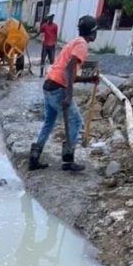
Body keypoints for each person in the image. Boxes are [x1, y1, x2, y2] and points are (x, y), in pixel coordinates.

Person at [29, 15, 98, 173]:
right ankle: (68, 160)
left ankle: (34, 157)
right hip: (58, 88)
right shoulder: (82, 45)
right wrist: (68, 95)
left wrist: (89, 78)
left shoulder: (75, 42)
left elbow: (69, 72)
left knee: (49, 121)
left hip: (49, 84)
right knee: (76, 122)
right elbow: (68, 69)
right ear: (92, 33)